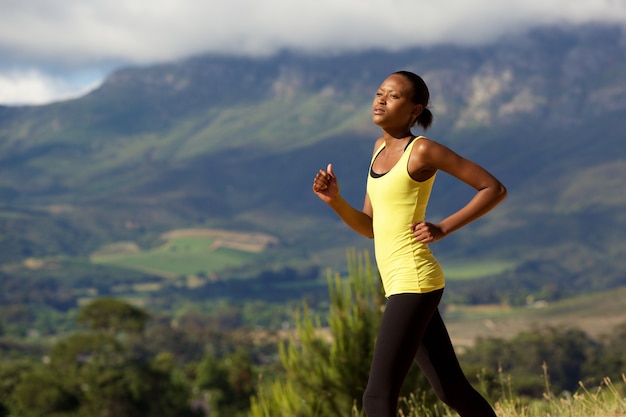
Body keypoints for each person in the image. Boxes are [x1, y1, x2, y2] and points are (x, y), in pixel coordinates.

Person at [312, 70, 507, 417]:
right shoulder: (377, 150)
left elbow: (493, 188)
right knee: (451, 390)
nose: (381, 100)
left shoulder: (422, 151)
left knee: (376, 398)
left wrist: (443, 227)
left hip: (414, 281)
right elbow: (370, 227)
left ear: (415, 110)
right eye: (379, 93)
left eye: (394, 96)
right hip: (401, 283)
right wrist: (335, 201)